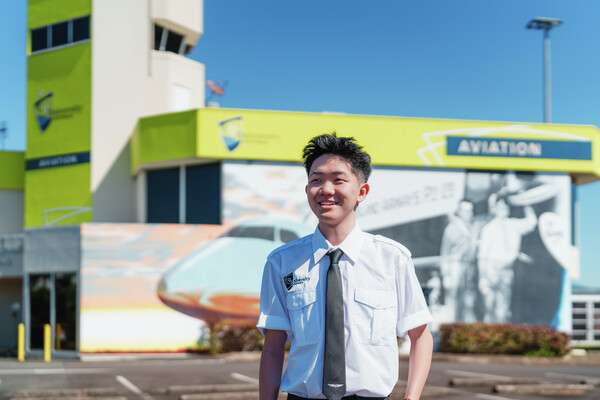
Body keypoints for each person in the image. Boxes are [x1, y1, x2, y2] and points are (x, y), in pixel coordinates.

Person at [257, 133, 433, 400]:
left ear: (362, 191)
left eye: (338, 180)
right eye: (316, 180)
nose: (326, 190)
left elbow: (420, 336)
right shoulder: (282, 262)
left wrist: (411, 398)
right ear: (307, 191)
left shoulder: (392, 259)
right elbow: (272, 347)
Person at [477, 193, 537, 323]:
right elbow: (482, 255)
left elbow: (531, 223)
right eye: (500, 206)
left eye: (505, 206)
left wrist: (526, 202)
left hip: (507, 270)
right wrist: (482, 278)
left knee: (503, 307)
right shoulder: (488, 229)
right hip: (491, 270)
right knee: (489, 307)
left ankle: (500, 334)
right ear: (494, 209)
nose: (503, 209)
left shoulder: (513, 225)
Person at [439, 200, 478, 322]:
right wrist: (446, 274)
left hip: (469, 268)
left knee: (467, 300)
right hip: (454, 267)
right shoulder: (451, 229)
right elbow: (444, 252)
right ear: (459, 211)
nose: (468, 213)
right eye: (465, 210)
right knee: (452, 301)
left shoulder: (473, 228)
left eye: (470, 210)